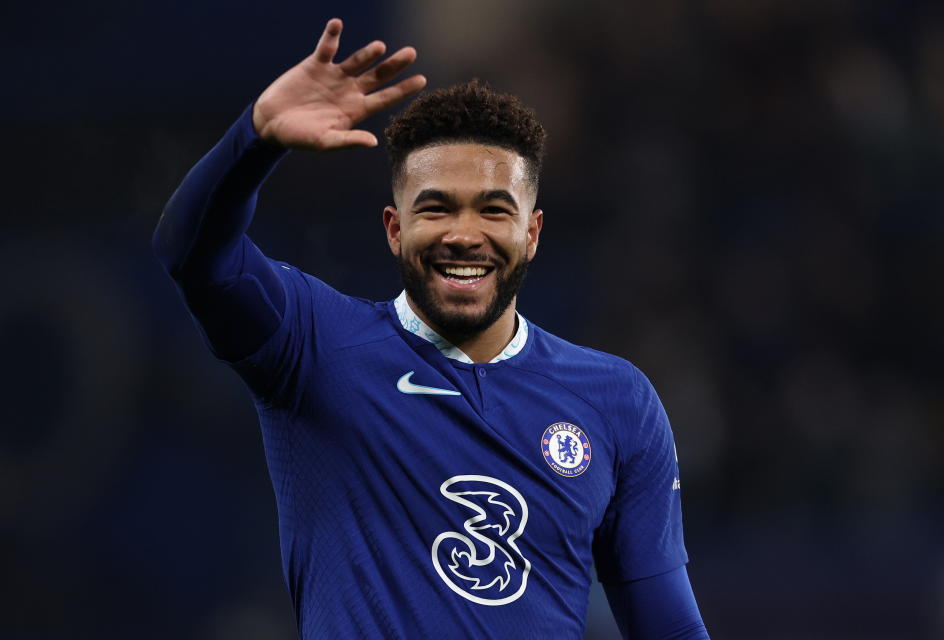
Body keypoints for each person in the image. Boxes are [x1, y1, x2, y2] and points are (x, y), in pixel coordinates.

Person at [152, 17, 709, 640]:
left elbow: (669, 627)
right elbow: (192, 255)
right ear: (394, 229)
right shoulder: (316, 346)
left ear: (532, 232)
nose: (464, 235)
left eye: (494, 210)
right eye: (436, 207)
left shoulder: (617, 400)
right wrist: (254, 138)